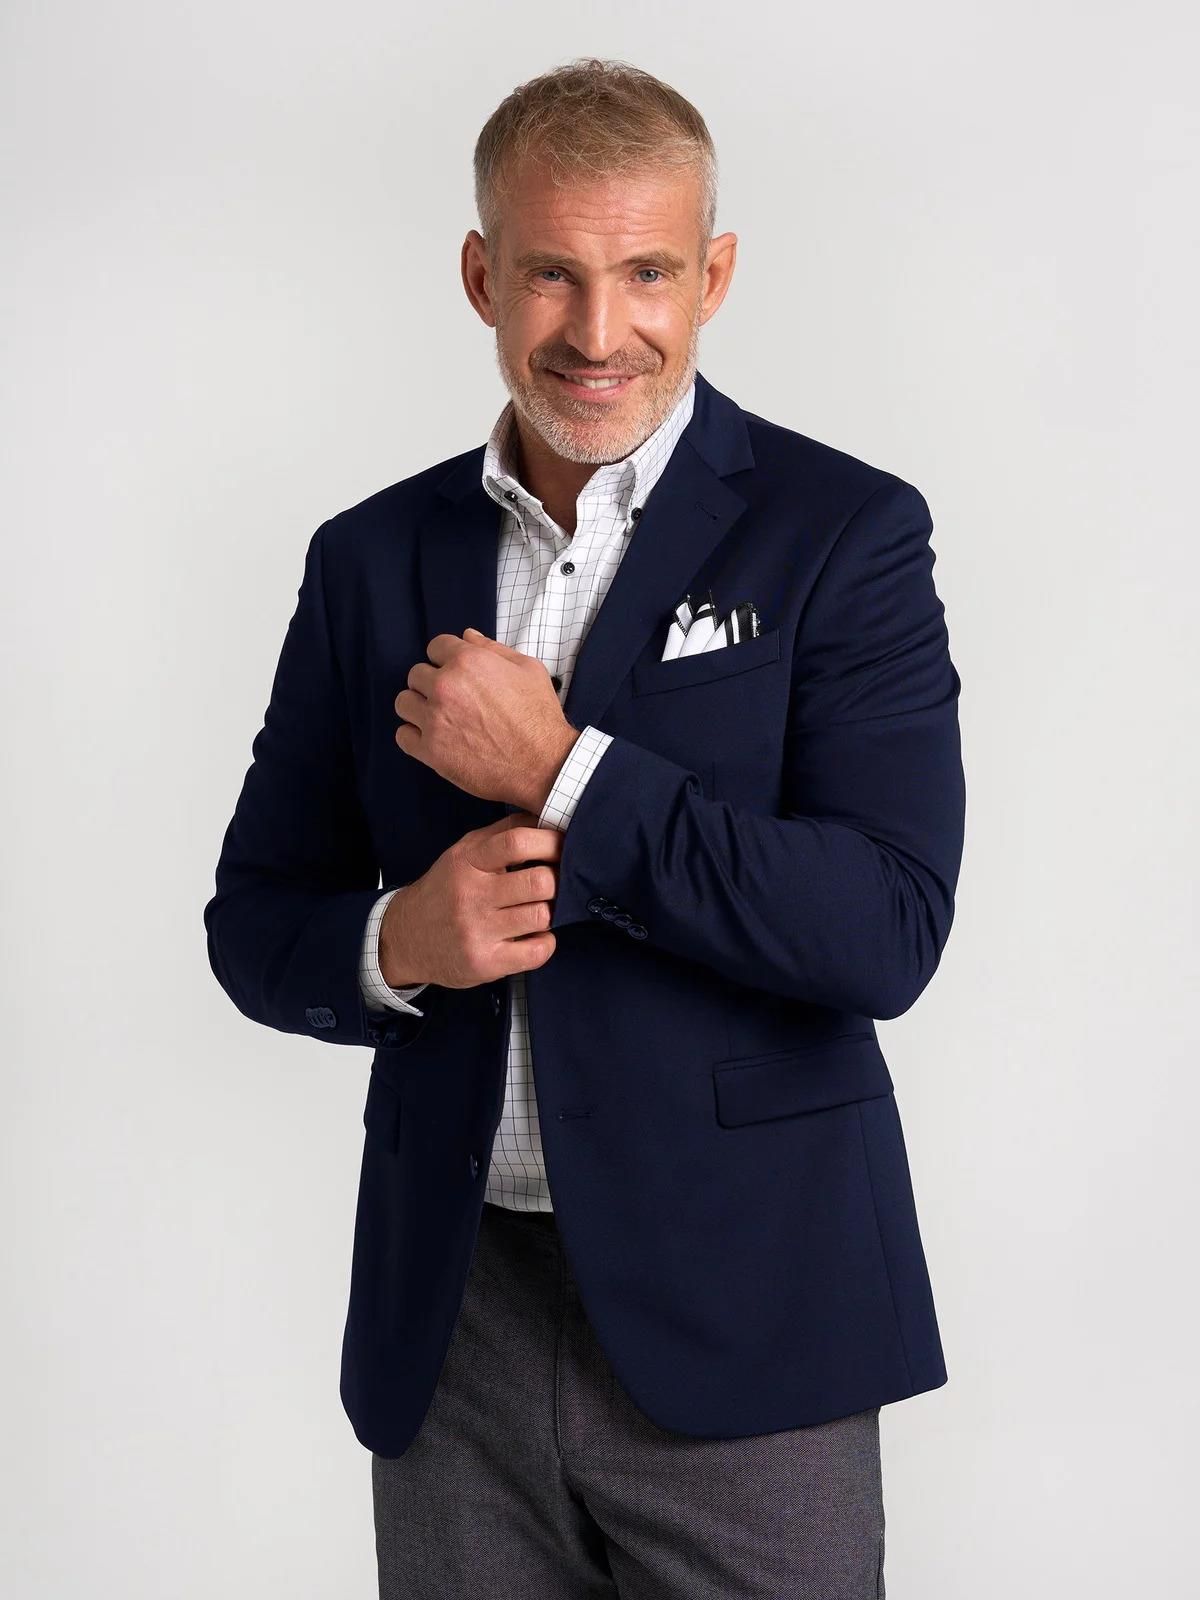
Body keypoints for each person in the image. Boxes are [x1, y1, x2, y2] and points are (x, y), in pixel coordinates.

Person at [204, 55, 965, 1600]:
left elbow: (884, 928)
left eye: (648, 274)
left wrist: (566, 770)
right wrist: (397, 942)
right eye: (552, 273)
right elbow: (254, 918)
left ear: (714, 276)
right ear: (482, 275)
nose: (599, 332)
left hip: (753, 1313)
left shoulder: (843, 533)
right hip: (455, 1322)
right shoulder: (369, 557)